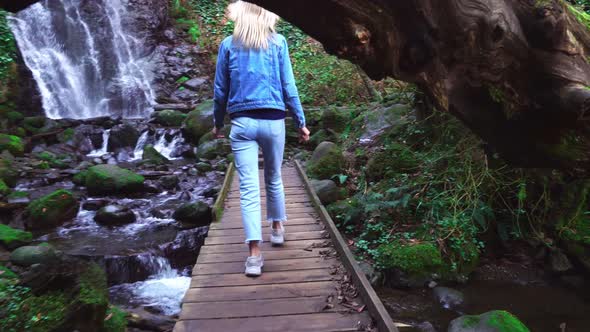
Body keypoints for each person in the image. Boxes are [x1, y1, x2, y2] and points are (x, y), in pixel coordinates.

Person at [211, 1, 310, 277]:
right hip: (274, 121)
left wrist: (217, 123)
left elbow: (220, 90)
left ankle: (254, 255)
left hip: (242, 123)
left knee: (248, 189)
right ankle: (277, 228)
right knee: (274, 177)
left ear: (240, 17)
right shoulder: (278, 42)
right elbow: (288, 85)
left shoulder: (228, 44)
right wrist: (300, 121)